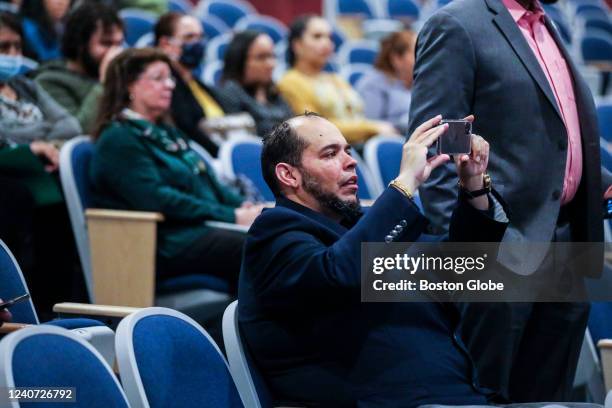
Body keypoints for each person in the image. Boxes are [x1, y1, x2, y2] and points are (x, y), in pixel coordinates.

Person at [408, 0, 612, 402]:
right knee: (485, 395)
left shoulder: (543, 25)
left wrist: (598, 182)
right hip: (499, 249)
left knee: (549, 396)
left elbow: (551, 134)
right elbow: (438, 150)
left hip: (565, 241)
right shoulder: (457, 24)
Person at [238, 112, 512, 407]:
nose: (350, 161)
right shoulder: (274, 233)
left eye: (348, 150)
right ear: (289, 175)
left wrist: (473, 186)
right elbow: (339, 274)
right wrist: (405, 183)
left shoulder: (360, 227)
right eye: (330, 154)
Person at [89, 48, 264, 293]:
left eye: (170, 78)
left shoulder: (166, 131)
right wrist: (231, 216)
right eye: (158, 78)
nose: (170, 85)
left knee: (273, 225)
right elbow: (156, 199)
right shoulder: (119, 138)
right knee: (257, 244)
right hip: (164, 241)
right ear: (130, 86)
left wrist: (244, 207)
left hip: (196, 228)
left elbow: (206, 179)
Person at [277, 15, 399, 144]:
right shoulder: (291, 81)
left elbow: (358, 116)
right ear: (297, 45)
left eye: (329, 38)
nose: (327, 43)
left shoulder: (335, 79)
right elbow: (315, 128)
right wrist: (371, 128)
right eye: (317, 36)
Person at [154, 11, 238, 156]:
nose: (198, 43)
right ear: (165, 44)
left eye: (200, 37)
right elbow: (189, 131)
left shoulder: (199, 84)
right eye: (189, 37)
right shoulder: (168, 88)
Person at [33, 2, 124, 134]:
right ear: (80, 42)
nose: (115, 52)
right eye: (106, 43)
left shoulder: (121, 77)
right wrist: (105, 82)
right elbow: (80, 131)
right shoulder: (49, 81)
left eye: (119, 44)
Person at [0, 12, 81, 143]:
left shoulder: (24, 85)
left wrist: (30, 138)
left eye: (18, 46)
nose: (13, 54)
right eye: (3, 47)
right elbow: (4, 138)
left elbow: (71, 126)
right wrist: (46, 127)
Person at [220, 30, 293, 137]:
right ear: (240, 60)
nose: (271, 64)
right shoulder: (230, 93)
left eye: (272, 56)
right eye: (261, 57)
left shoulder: (274, 93)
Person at [356, 29, 416, 134]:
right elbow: (372, 125)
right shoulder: (372, 84)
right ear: (396, 58)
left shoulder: (420, 82)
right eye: (416, 52)